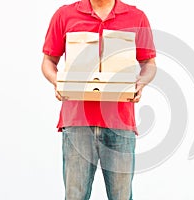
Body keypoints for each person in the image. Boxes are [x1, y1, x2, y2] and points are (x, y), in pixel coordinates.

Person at [41, 0, 156, 199]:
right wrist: (57, 82)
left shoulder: (136, 17)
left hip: (120, 123)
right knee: (75, 196)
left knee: (121, 196)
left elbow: (149, 63)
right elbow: (48, 61)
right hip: (77, 122)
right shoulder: (64, 15)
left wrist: (141, 82)